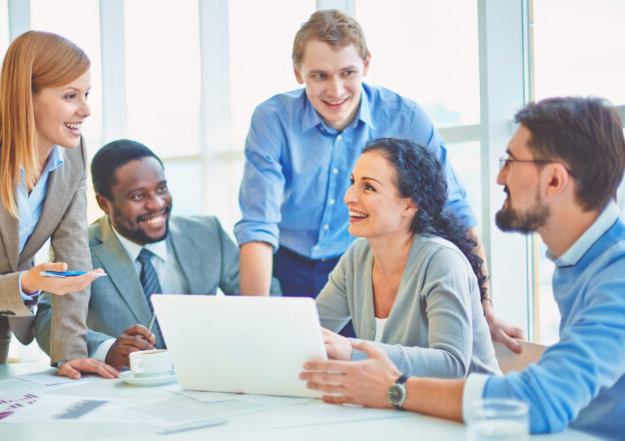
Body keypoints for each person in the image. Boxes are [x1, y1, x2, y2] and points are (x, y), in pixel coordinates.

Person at [300, 97, 625, 440]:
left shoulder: (617, 276)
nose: (500, 176)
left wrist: (395, 389)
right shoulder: (579, 263)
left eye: (511, 162)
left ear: (555, 181)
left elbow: (537, 403)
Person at [234, 9, 522, 349]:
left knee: (362, 366)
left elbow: (455, 212)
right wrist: (251, 327)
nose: (336, 90)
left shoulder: (406, 117)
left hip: (362, 266)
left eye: (348, 72)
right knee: (283, 359)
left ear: (366, 65)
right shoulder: (272, 120)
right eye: (319, 76)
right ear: (298, 73)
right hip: (287, 264)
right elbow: (258, 228)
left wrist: (484, 312)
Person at [0, 31, 117, 379]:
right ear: (26, 97)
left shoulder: (73, 157)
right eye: (70, 96)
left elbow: (73, 257)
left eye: (86, 94)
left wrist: (69, 354)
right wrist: (27, 283)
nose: (86, 110)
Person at [35, 139, 281, 370]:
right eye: (138, 196)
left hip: (206, 378)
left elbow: (265, 298)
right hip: (124, 391)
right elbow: (47, 320)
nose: (156, 204)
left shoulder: (209, 234)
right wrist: (106, 349)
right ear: (104, 204)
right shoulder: (79, 249)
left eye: (161, 189)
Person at [316, 138, 500, 378]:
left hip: (471, 411)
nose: (349, 196)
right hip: (404, 410)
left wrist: (352, 351)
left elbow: (452, 366)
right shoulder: (357, 257)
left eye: (369, 187)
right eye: (353, 182)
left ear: (410, 205)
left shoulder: (442, 261)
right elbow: (310, 332)